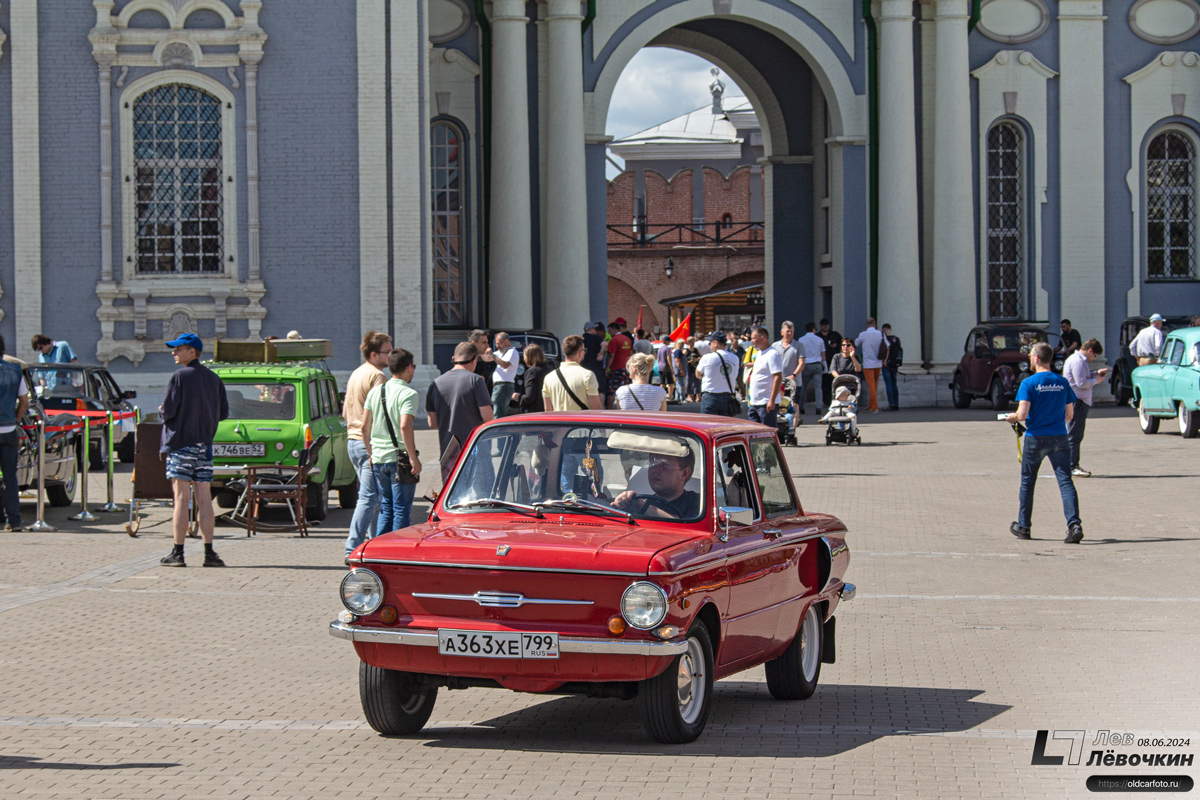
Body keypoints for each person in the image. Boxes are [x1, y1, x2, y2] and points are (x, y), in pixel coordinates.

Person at [158, 333, 229, 568]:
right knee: (205, 497)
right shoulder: (213, 378)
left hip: (181, 443)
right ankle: (209, 553)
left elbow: (168, 411)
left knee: (181, 497)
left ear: (192, 352)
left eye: (179, 349)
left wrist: (162, 411)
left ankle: (178, 553)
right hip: (205, 444)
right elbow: (223, 412)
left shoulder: (179, 376)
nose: (174, 353)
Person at [1005, 342, 1082, 543]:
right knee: (1065, 481)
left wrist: (1012, 417)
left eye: (1031, 356)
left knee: (1028, 483)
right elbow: (1070, 414)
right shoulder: (1062, 382)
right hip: (1059, 437)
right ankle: (1074, 525)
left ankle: (1024, 526)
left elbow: (1022, 414)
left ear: (1037, 358)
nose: (1030, 358)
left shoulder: (1029, 383)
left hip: (1035, 439)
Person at [343, 331, 392, 560]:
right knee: (369, 498)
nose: (390, 356)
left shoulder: (356, 373)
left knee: (373, 499)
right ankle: (352, 546)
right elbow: (379, 415)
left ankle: (373, 545)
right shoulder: (377, 376)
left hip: (353, 441)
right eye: (387, 352)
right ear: (374, 354)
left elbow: (345, 411)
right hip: (367, 443)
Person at [361, 348, 421, 535]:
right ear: (409, 367)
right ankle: (398, 552)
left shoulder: (375, 392)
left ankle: (379, 551)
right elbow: (405, 426)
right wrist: (413, 458)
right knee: (401, 510)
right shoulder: (409, 394)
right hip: (400, 460)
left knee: (386, 508)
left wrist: (370, 453)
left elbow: (364, 427)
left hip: (378, 458)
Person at [426, 342, 494, 478]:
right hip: (475, 448)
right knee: (483, 495)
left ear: (453, 358)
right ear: (474, 360)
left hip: (448, 451)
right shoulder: (476, 381)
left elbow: (432, 423)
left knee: (452, 496)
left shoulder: (436, 383)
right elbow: (488, 417)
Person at [611, 449, 700, 520]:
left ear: (684, 473)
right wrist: (621, 504)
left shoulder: (699, 503)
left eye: (664, 465)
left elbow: (686, 530)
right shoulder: (640, 501)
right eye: (652, 463)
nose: (655, 470)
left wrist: (643, 506)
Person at [1063, 338, 1108, 478]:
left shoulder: (1080, 361)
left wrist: (1095, 374)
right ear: (1090, 350)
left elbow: (1083, 377)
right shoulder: (1078, 361)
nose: (1093, 359)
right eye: (1094, 356)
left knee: (1075, 434)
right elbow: (1081, 383)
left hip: (1078, 401)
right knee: (1074, 435)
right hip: (1077, 401)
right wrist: (1097, 381)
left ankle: (1071, 465)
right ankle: (1072, 466)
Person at [0, 335, 29, 532]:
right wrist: (17, 419)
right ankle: (14, 520)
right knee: (10, 477)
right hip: (9, 429)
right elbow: (24, 401)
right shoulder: (15, 370)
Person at [543, 334, 603, 411]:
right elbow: (596, 409)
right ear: (580, 352)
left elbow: (548, 410)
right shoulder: (587, 375)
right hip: (581, 422)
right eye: (584, 350)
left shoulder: (548, 378)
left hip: (558, 422)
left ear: (564, 353)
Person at [746, 326, 783, 427]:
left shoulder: (772, 354)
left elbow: (778, 377)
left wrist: (771, 401)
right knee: (754, 433)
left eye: (753, 338)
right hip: (755, 402)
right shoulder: (759, 353)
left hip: (766, 402)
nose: (751, 341)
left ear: (762, 338)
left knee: (767, 432)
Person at [696, 334, 740, 416]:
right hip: (728, 395)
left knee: (708, 426)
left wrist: (708, 378)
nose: (709, 346)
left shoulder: (707, 357)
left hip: (711, 395)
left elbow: (697, 374)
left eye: (710, 343)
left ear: (715, 343)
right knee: (725, 426)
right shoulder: (735, 358)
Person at [855, 317, 886, 413]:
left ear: (867, 324)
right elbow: (887, 346)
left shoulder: (863, 334)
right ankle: (870, 405)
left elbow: (856, 343)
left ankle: (875, 406)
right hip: (878, 362)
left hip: (868, 363)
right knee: (874, 385)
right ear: (875, 324)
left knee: (871, 386)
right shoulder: (880, 334)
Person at [772, 322, 803, 417]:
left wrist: (794, 375)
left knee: (794, 405)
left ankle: (793, 426)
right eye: (787, 331)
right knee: (779, 404)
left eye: (792, 332)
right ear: (782, 332)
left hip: (794, 382)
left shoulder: (798, 346)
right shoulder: (775, 346)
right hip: (779, 381)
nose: (789, 334)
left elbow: (801, 363)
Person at [797, 322, 826, 415]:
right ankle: (818, 407)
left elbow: (799, 354)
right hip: (817, 364)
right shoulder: (819, 339)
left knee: (803, 387)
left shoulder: (801, 340)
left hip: (806, 364)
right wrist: (825, 365)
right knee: (818, 387)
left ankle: (801, 407)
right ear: (814, 329)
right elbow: (823, 354)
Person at [605, 320, 634, 407]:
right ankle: (625, 408)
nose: (609, 333)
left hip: (616, 369)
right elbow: (631, 354)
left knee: (612, 391)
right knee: (626, 390)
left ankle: (609, 410)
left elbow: (611, 355)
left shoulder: (614, 340)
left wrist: (607, 368)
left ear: (614, 329)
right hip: (626, 369)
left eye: (610, 330)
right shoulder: (628, 339)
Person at [490, 332, 518, 419]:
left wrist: (492, 355)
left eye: (499, 343)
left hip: (504, 385)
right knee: (497, 410)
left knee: (498, 412)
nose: (497, 346)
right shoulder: (501, 353)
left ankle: (498, 431)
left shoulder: (512, 351)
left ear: (506, 342)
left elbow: (505, 364)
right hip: (500, 386)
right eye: (496, 343)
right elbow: (487, 358)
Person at [515, 343, 548, 413]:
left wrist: (518, 397)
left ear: (529, 357)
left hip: (533, 413)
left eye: (524, 356)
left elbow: (529, 397)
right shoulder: (548, 370)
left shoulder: (532, 372)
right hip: (546, 411)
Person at [582, 322, 609, 406]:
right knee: (600, 391)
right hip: (596, 369)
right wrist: (601, 353)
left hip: (583, 369)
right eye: (594, 329)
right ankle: (599, 410)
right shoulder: (596, 337)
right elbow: (605, 344)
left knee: (585, 391)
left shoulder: (580, 339)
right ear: (591, 329)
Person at [819, 318, 843, 409]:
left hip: (834, 362)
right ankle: (826, 401)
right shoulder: (818, 336)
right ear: (821, 326)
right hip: (823, 362)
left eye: (827, 324)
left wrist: (836, 345)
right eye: (824, 325)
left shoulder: (835, 335)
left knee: (834, 381)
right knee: (824, 382)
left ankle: (835, 399)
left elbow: (842, 344)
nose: (825, 326)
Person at [880, 323, 903, 411]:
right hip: (895, 363)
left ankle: (891, 404)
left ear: (884, 329)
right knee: (894, 384)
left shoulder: (885, 339)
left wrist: (885, 360)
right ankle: (896, 403)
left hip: (887, 364)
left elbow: (888, 350)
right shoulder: (896, 339)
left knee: (889, 384)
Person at [672, 339, 689, 403]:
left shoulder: (678, 351)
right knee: (681, 384)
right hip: (679, 371)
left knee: (678, 384)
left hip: (678, 370)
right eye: (682, 344)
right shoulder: (678, 351)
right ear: (678, 344)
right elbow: (677, 361)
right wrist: (681, 370)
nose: (683, 345)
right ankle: (682, 398)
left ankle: (677, 397)